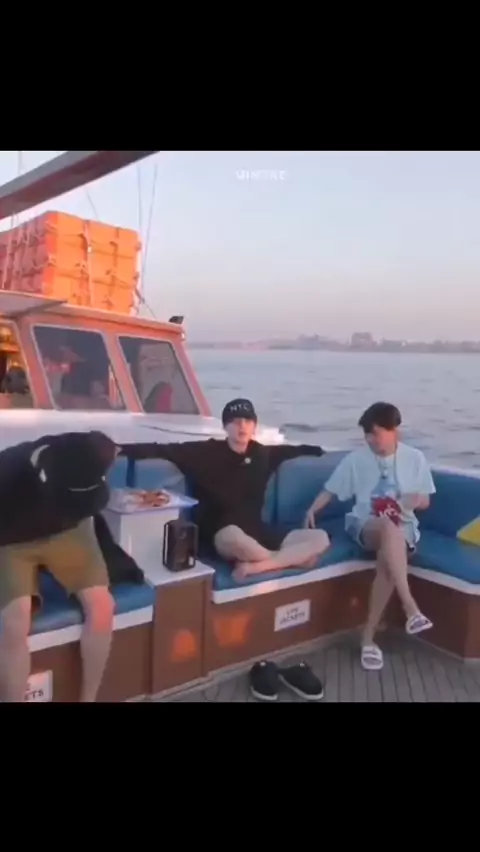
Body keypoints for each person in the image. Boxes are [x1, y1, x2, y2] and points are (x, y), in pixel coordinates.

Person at [121, 398, 330, 581]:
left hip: (258, 532)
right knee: (234, 536)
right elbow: (162, 449)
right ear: (225, 426)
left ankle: (259, 566)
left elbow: (294, 450)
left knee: (320, 537)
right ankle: (290, 560)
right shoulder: (204, 452)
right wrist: (117, 449)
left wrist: (319, 450)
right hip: (221, 534)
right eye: (235, 421)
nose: (242, 426)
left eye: (247, 421)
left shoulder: (263, 454)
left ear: (254, 426)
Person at [304, 401, 435, 671]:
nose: (370, 440)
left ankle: (367, 639)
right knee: (387, 528)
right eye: (367, 434)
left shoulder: (415, 459)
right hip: (366, 525)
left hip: (404, 527)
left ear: (393, 430)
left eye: (375, 433)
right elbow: (331, 489)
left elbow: (425, 501)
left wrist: (413, 499)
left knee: (388, 561)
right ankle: (410, 606)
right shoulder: (357, 459)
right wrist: (312, 509)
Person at [0, 430, 118, 702]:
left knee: (103, 606)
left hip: (69, 531)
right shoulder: (8, 470)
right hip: (11, 538)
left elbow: (112, 449)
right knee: (15, 620)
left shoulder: (86, 454)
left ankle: (88, 699)